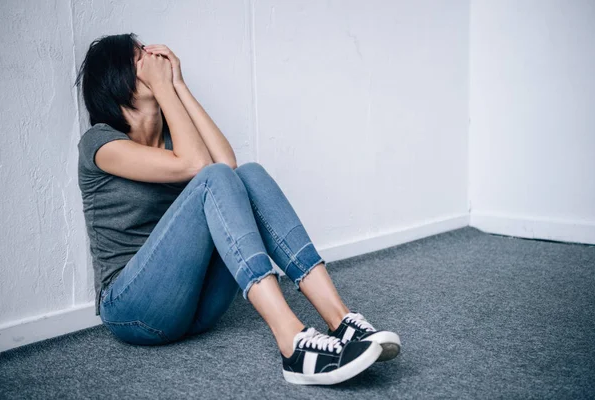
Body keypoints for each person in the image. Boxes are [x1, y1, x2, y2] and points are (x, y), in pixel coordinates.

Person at [74, 33, 400, 385]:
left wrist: (179, 84)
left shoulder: (176, 136)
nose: (153, 59)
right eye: (140, 58)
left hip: (194, 308)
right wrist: (164, 88)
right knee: (212, 176)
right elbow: (198, 167)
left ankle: (342, 321)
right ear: (115, 79)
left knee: (248, 174)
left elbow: (226, 165)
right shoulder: (100, 142)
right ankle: (292, 342)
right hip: (132, 310)